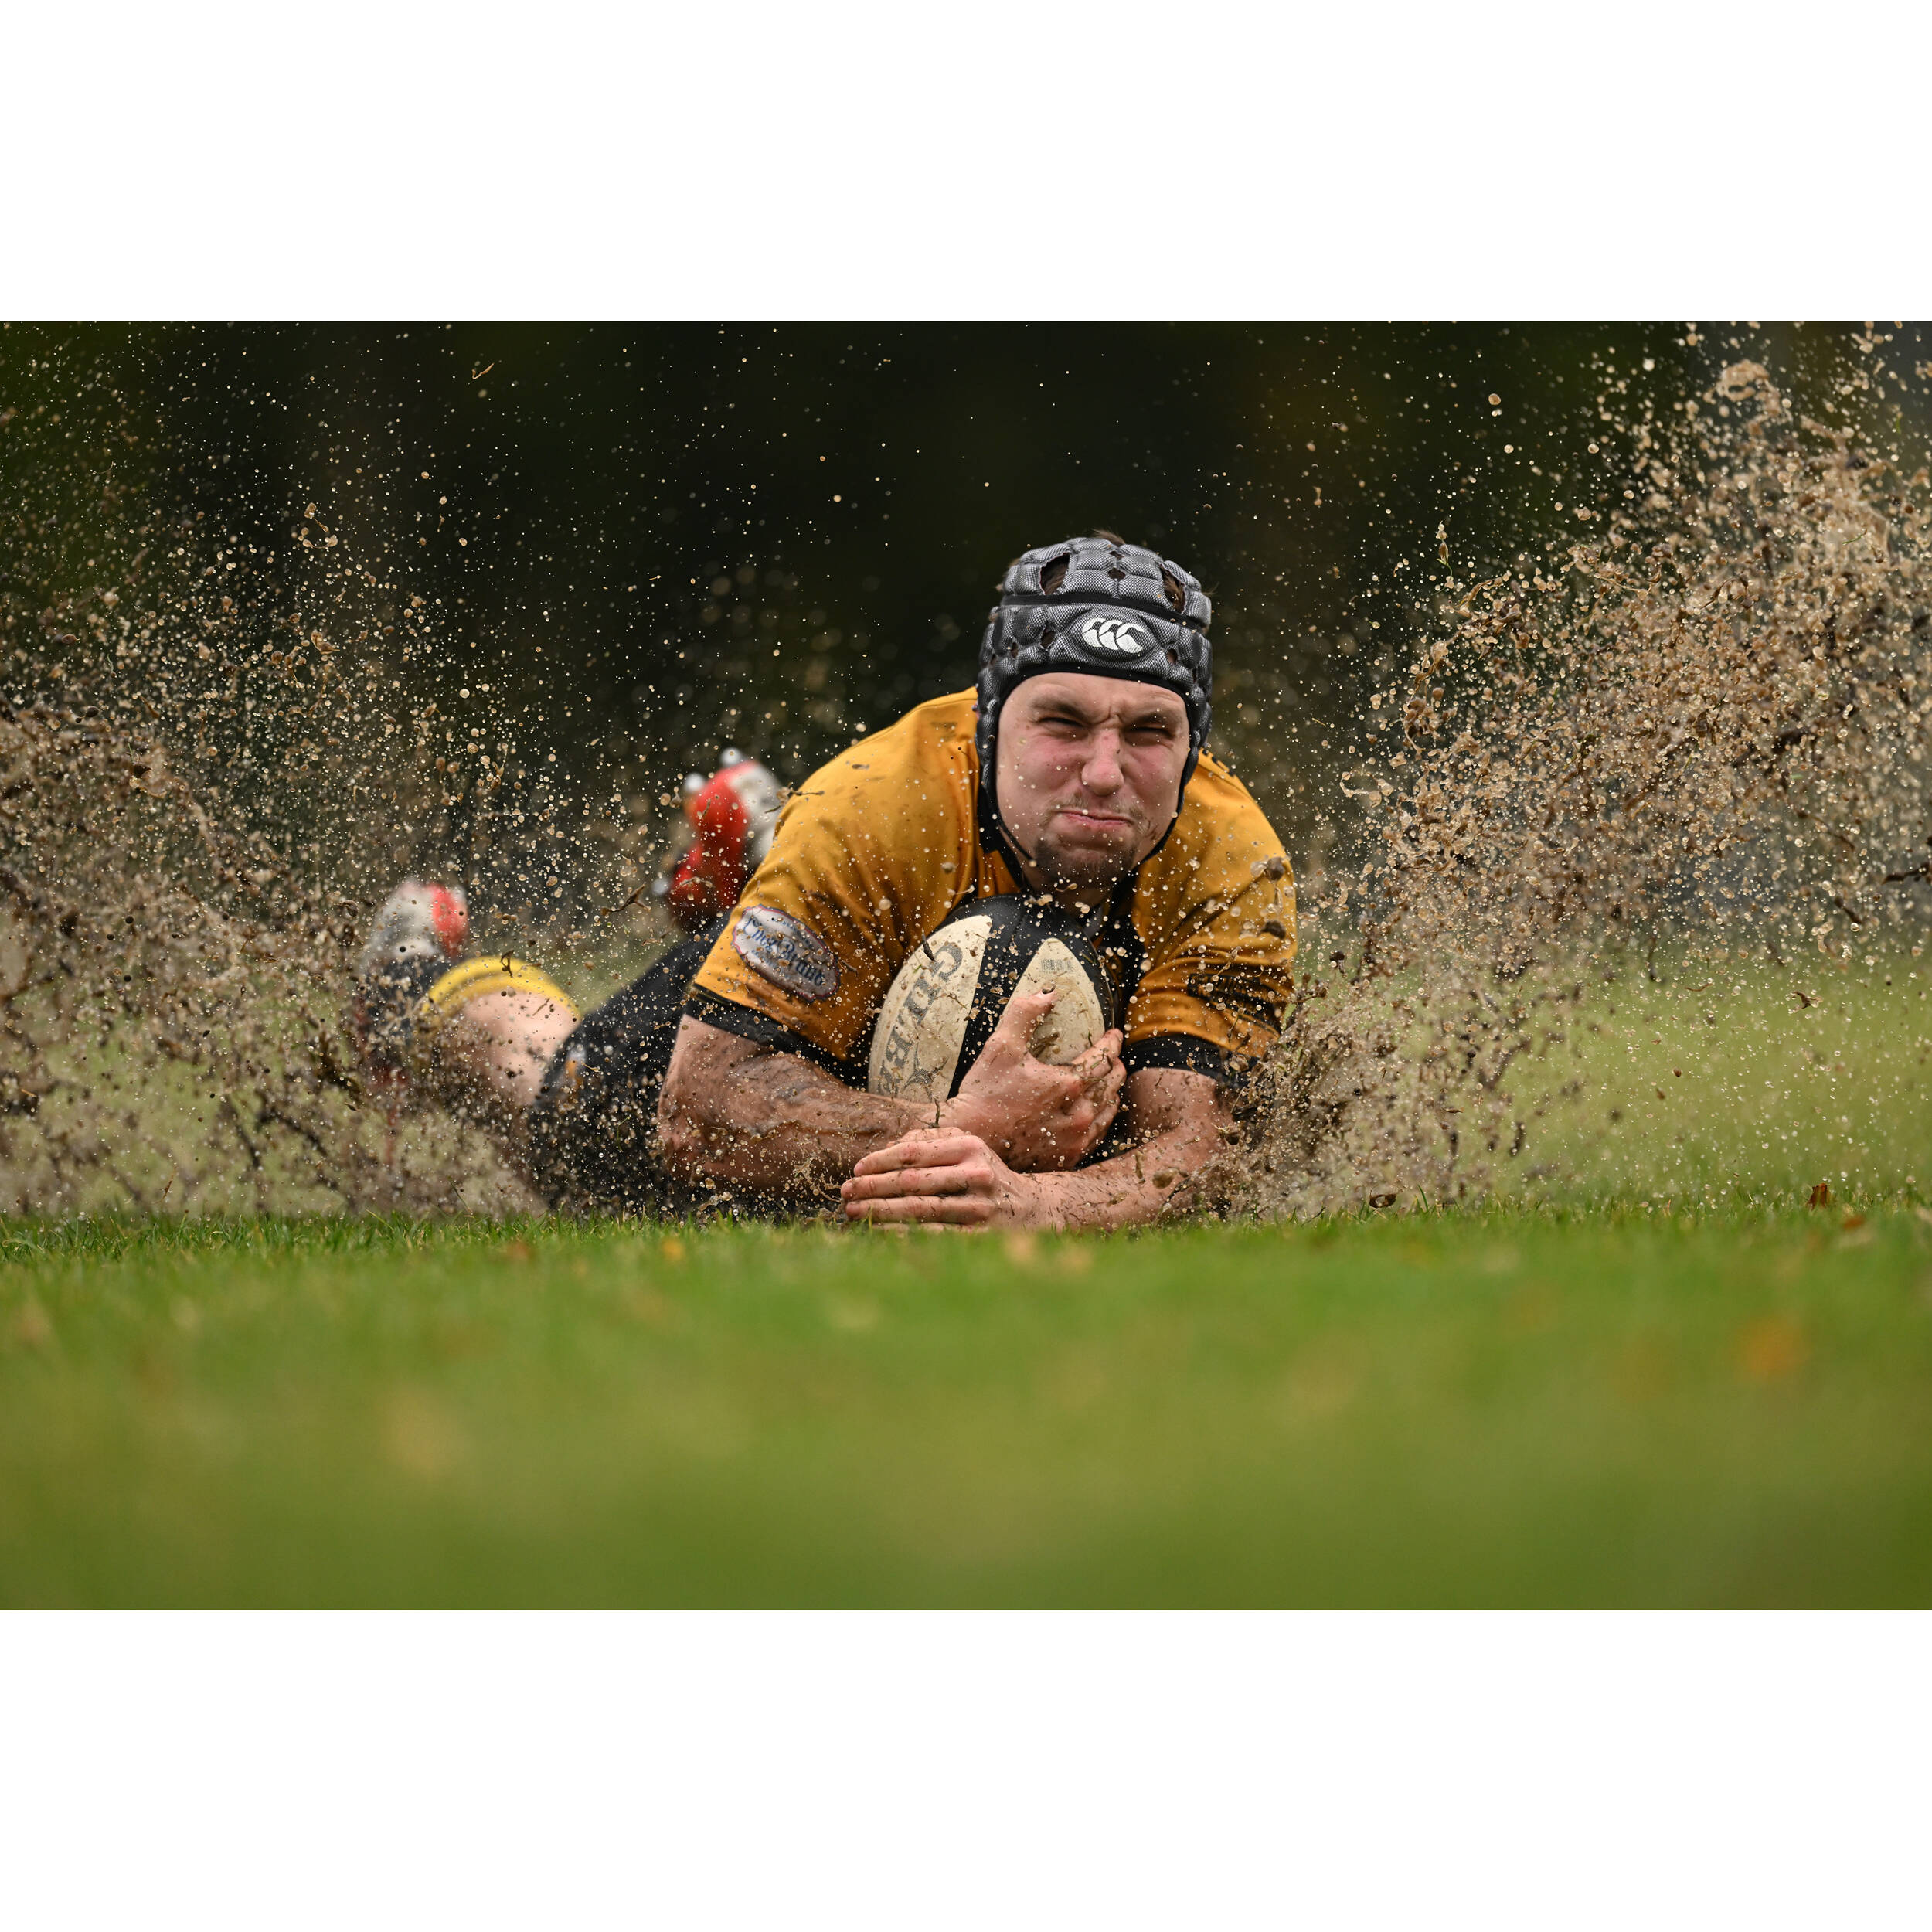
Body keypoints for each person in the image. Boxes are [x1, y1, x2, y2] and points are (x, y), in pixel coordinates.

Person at [356, 533, 1298, 1230]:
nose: (1102, 771)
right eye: (1063, 723)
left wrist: (1034, 1205)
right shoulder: (876, 807)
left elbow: (1193, 1148)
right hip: (821, 1018)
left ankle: (762, 882)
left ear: (1192, 748)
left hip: (890, 948)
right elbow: (697, 1112)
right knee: (569, 1116)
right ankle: (414, 983)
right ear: (989, 723)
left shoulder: (1233, 863)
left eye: (1149, 732)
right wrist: (961, 1127)